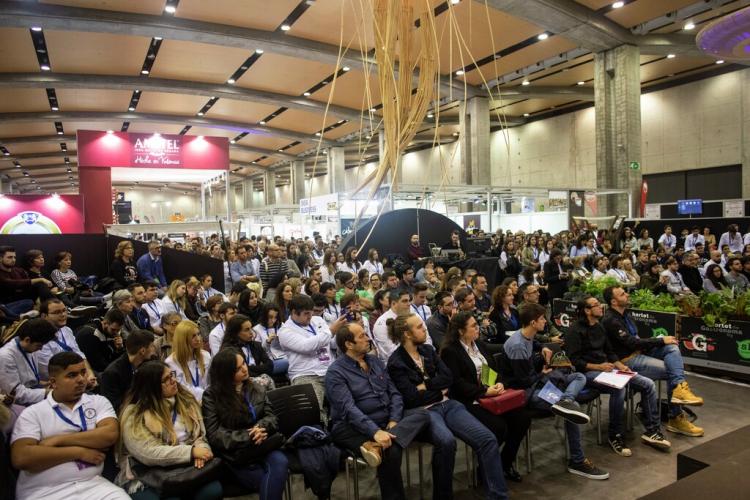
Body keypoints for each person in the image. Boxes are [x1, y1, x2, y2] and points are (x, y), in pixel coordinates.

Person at [386, 313, 510, 498]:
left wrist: (425, 385)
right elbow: (411, 398)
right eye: (419, 327)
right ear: (407, 334)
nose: (425, 329)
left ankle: (498, 496)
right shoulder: (396, 362)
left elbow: (448, 378)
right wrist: (438, 391)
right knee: (446, 442)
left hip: (449, 404)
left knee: (487, 439)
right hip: (425, 412)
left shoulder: (427, 350)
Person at [501, 303, 609, 480]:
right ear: (533, 322)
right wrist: (542, 373)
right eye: (542, 318)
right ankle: (577, 461)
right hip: (528, 392)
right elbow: (523, 381)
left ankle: (565, 400)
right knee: (574, 409)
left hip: (539, 382)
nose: (545, 321)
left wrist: (542, 347)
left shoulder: (526, 336)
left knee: (579, 377)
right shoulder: (517, 346)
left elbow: (533, 343)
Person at [325, 323, 430, 500]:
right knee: (392, 452)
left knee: (423, 414)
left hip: (386, 421)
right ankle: (384, 447)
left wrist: (394, 420)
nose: (368, 339)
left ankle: (377, 446)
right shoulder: (335, 372)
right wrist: (375, 431)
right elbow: (349, 410)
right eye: (362, 336)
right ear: (349, 344)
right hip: (355, 426)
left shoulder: (375, 361)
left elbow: (394, 393)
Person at [10, 352, 129, 500]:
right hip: (44, 490)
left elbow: (109, 435)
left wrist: (57, 440)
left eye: (83, 372)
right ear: (53, 382)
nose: (81, 379)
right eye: (72, 375)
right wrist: (79, 452)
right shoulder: (33, 413)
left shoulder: (98, 402)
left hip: (92, 484)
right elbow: (21, 457)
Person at [566, 295, 670, 456]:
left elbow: (610, 352)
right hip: (587, 373)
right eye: (596, 305)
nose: (601, 306)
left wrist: (621, 366)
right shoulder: (574, 330)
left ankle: (652, 431)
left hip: (608, 369)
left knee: (647, 384)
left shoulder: (599, 326)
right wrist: (599, 366)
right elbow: (575, 361)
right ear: (587, 310)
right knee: (618, 388)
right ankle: (615, 435)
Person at [439, 311, 532, 484]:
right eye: (474, 326)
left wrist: (500, 383)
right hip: (469, 400)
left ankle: (503, 464)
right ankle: (487, 468)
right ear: (461, 331)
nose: (478, 328)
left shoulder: (480, 345)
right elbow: (457, 384)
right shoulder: (450, 351)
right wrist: (484, 392)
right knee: (499, 427)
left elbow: (495, 370)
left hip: (492, 396)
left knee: (523, 417)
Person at [602, 286, 705, 438]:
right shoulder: (610, 320)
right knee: (672, 371)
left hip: (640, 352)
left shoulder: (625, 315)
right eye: (623, 294)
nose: (627, 295)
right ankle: (676, 418)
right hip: (627, 361)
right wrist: (660, 340)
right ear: (614, 301)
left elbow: (637, 340)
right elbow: (632, 343)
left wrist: (661, 342)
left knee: (672, 347)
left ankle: (679, 390)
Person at [116, 361, 222, 500]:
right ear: (151, 386)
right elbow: (148, 453)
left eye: (172, 375)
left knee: (213, 491)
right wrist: (191, 452)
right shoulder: (134, 414)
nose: (173, 381)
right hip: (149, 472)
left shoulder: (186, 401)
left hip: (186, 465)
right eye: (165, 379)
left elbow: (200, 436)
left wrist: (202, 450)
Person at [201, 349, 288, 500]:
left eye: (244, 363)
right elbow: (215, 435)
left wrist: (261, 428)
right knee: (268, 480)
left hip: (264, 445)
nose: (244, 369)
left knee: (281, 463)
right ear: (225, 373)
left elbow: (271, 416)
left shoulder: (255, 386)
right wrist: (249, 436)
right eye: (237, 368)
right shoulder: (211, 396)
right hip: (236, 454)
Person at [278, 295, 340, 417]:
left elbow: (332, 343)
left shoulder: (318, 320)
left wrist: (341, 332)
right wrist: (331, 331)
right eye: (306, 313)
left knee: (349, 399)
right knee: (313, 410)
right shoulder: (285, 331)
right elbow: (306, 346)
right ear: (294, 312)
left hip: (330, 371)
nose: (310, 316)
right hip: (306, 374)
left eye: (311, 312)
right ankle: (321, 428)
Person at [38, 298, 97, 386]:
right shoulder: (40, 339)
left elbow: (79, 355)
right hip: (58, 383)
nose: (63, 315)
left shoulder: (67, 330)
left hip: (79, 374)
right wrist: (82, 379)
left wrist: (89, 374)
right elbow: (51, 371)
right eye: (57, 312)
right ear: (44, 316)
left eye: (64, 310)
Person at [0, 318, 57, 406]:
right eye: (39, 345)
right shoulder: (5, 356)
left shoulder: (29, 347)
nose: (41, 348)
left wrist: (44, 384)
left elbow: (28, 379)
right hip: (16, 404)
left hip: (31, 393)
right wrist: (48, 392)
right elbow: (16, 394)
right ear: (27, 340)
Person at [100, 329, 156, 412]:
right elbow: (114, 407)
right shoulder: (112, 374)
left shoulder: (149, 363)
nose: (154, 349)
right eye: (152, 346)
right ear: (143, 351)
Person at [373, 289, 432, 362]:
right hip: (395, 364)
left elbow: (427, 339)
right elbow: (390, 351)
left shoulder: (415, 316)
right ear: (393, 304)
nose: (409, 304)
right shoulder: (382, 323)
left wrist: (425, 355)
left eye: (409, 300)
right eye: (404, 301)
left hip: (422, 357)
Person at [166, 320, 212, 402]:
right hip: (186, 402)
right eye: (193, 336)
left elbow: (210, 382)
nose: (198, 339)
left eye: (198, 334)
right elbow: (182, 389)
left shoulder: (205, 355)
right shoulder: (171, 362)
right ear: (183, 339)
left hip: (208, 400)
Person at [220, 314, 274, 380]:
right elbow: (241, 372)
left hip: (259, 379)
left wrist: (250, 368)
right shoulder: (229, 351)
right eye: (246, 330)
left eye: (251, 328)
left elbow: (270, 366)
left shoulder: (256, 345)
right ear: (235, 332)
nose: (251, 332)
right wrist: (258, 369)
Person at [75, 308, 126, 373]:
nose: (116, 333)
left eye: (118, 330)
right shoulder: (90, 335)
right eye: (113, 330)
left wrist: (119, 349)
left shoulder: (110, 333)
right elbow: (98, 365)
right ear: (105, 323)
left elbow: (112, 360)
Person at [253, 304, 289, 375]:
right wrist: (267, 341)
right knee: (291, 363)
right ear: (264, 316)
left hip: (284, 356)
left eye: (275, 317)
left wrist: (282, 340)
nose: (273, 320)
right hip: (268, 361)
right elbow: (257, 352)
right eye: (270, 317)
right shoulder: (256, 329)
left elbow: (289, 344)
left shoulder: (281, 325)